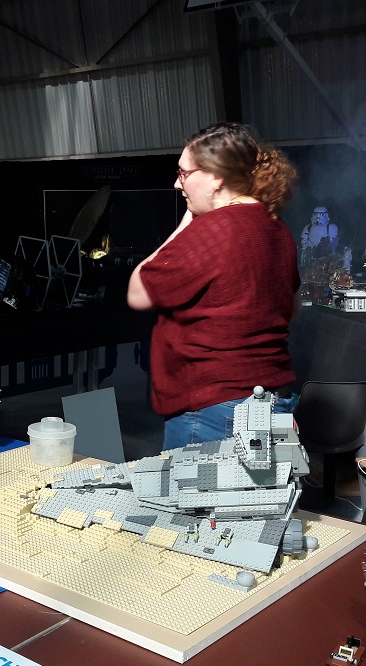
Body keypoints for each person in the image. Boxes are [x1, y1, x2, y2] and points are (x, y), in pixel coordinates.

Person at [127, 122, 299, 450]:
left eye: (184, 173)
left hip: (214, 411)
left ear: (216, 177)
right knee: (264, 487)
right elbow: (292, 307)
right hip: (272, 402)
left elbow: (138, 291)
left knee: (197, 489)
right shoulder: (278, 230)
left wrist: (187, 222)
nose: (177, 184)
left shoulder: (213, 230)